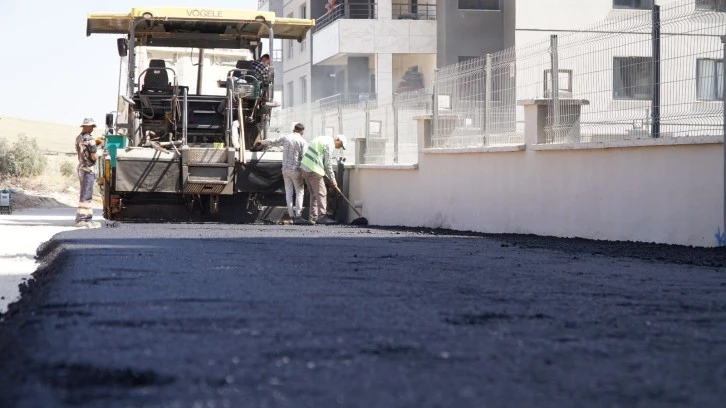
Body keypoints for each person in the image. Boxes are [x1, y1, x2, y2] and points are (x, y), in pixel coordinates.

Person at [254, 122, 308, 224]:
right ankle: (298, 216)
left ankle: (291, 215)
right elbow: (304, 157)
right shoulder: (302, 141)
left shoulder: (286, 138)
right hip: (295, 169)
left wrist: (262, 142)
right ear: (302, 132)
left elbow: (274, 142)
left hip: (285, 169)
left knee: (288, 192)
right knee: (299, 192)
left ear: (293, 130)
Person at [300, 134, 347, 225]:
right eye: (340, 145)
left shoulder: (322, 139)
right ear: (337, 140)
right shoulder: (330, 144)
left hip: (305, 166)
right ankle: (322, 216)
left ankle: (313, 217)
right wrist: (333, 180)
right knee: (322, 193)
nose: (339, 148)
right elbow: (328, 164)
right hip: (313, 169)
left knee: (314, 194)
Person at [75, 118, 101, 228]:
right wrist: (100, 152)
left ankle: (86, 218)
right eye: (91, 126)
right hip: (88, 169)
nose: (92, 129)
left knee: (84, 194)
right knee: (86, 196)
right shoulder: (90, 140)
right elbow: (94, 157)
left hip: (81, 168)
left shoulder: (78, 138)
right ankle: (82, 220)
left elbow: (82, 151)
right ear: (87, 127)